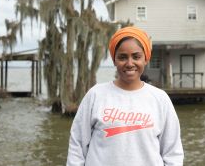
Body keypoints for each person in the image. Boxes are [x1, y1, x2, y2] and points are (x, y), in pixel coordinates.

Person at [66, 26, 184, 166]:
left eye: (136, 56)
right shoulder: (96, 95)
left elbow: (173, 152)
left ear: (146, 58)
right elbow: (77, 145)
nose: (129, 63)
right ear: (114, 59)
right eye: (122, 57)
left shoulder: (160, 99)